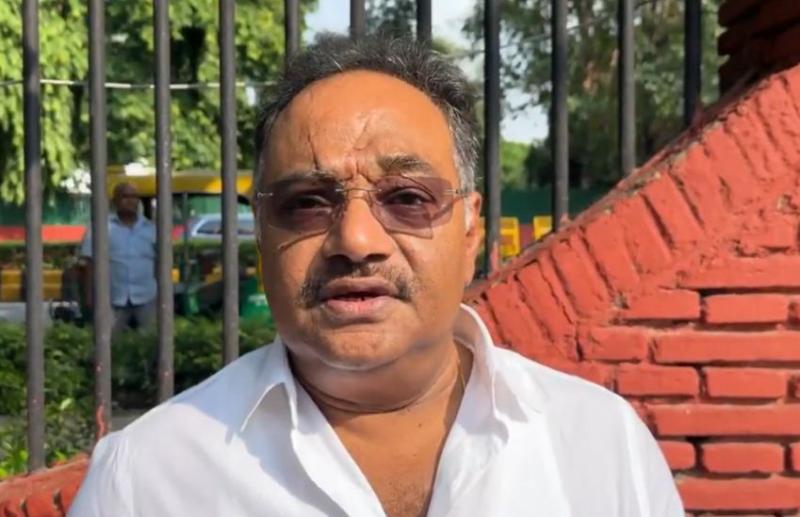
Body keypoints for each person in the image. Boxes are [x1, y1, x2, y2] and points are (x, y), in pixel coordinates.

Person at [70, 35, 683, 516]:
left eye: (408, 198)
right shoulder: (146, 478)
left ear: (471, 230)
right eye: (308, 203)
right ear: (261, 234)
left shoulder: (600, 445)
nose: (356, 241)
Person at [78, 182, 157, 336]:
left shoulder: (151, 228)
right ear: (115, 201)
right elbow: (89, 263)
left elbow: (161, 263)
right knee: (108, 342)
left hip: (147, 296)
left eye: (134, 197)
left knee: (150, 341)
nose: (130, 201)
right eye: (125, 197)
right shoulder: (100, 228)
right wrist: (89, 295)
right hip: (112, 298)